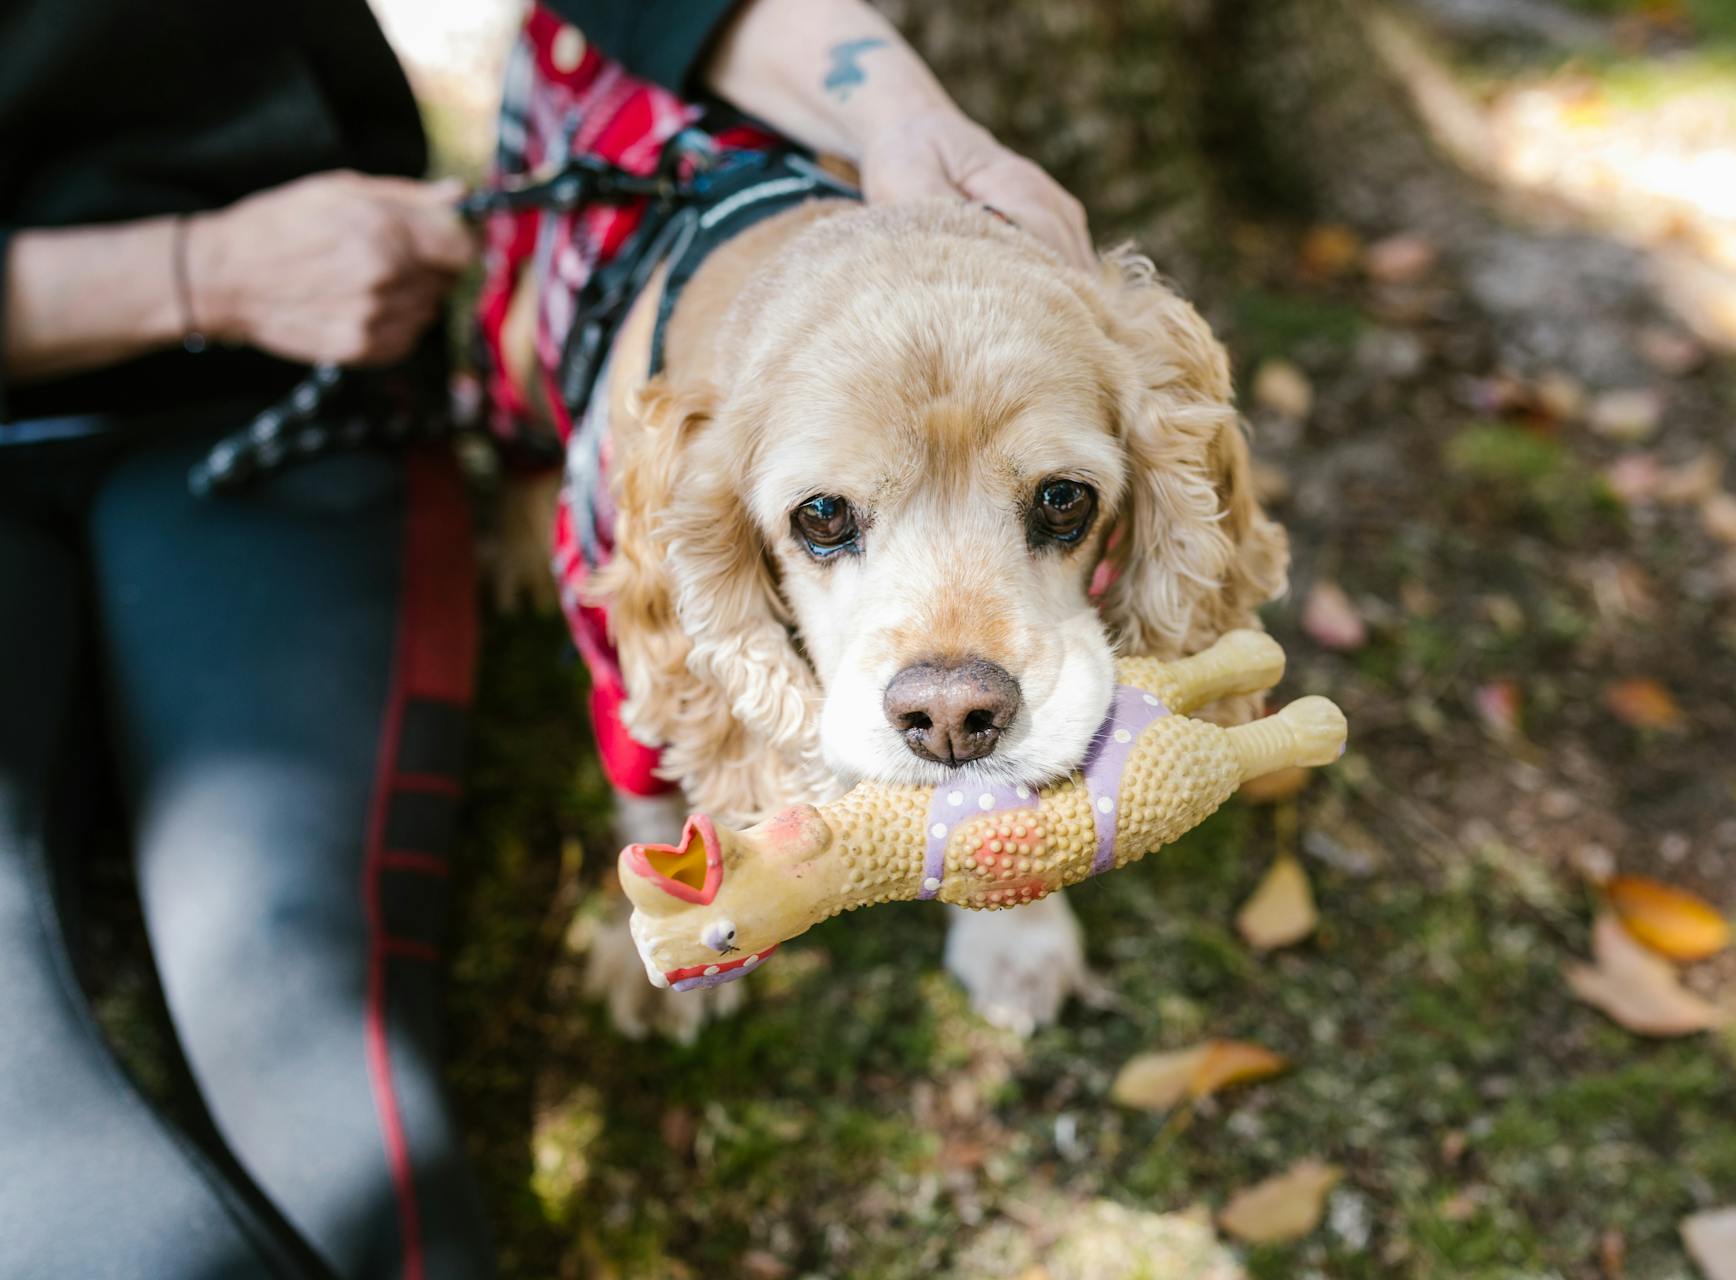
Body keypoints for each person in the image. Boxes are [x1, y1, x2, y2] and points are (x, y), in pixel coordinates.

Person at [0, 0, 1091, 1276]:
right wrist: (197, 268)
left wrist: (898, 111)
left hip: (278, 380)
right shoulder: (663, 481)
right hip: (213, 311)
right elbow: (654, 652)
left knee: (306, 1043)